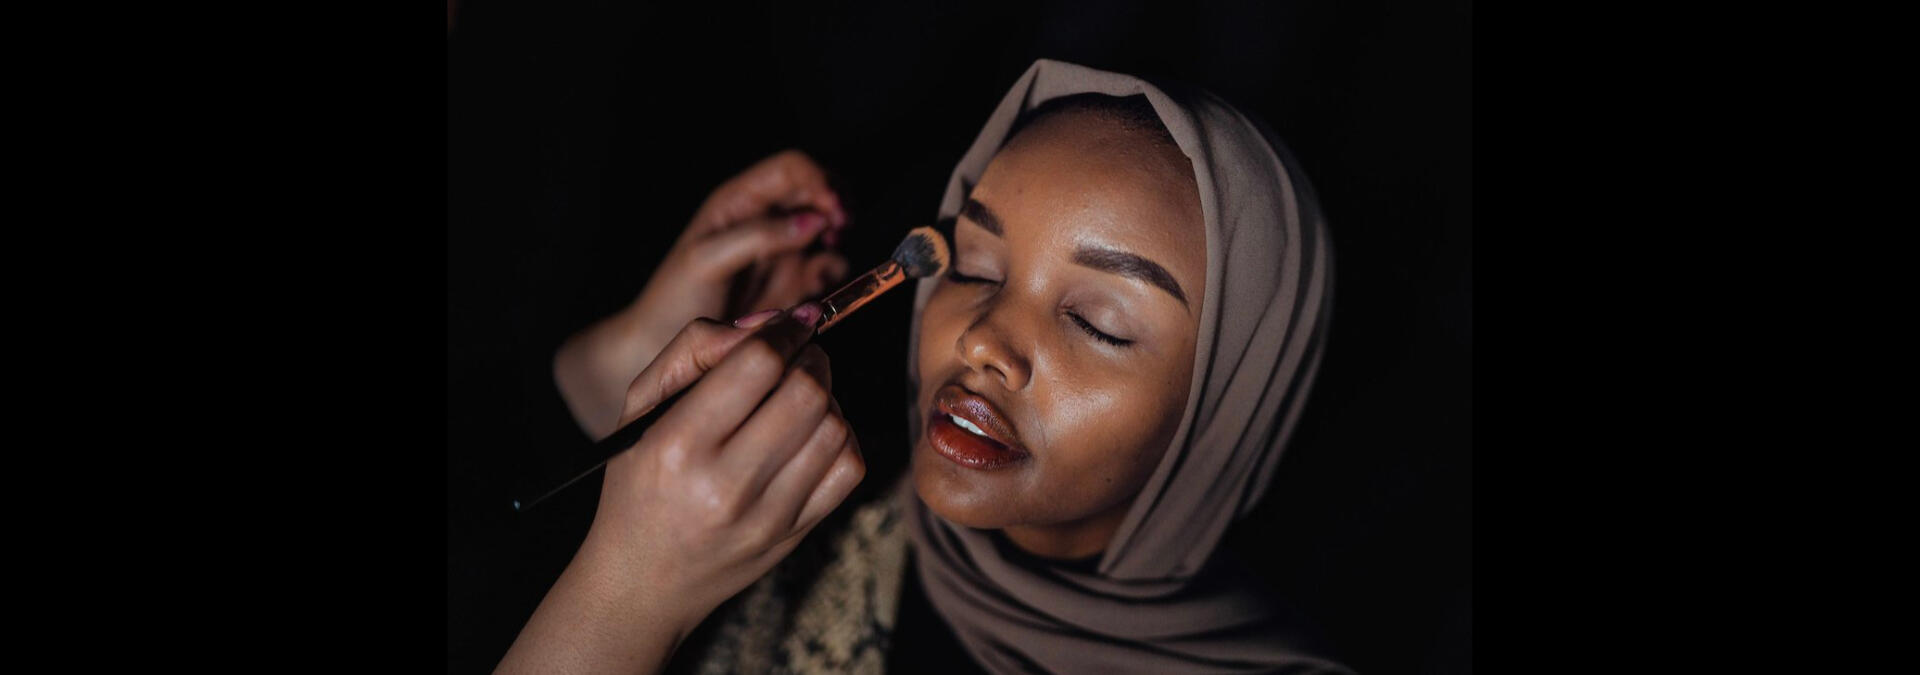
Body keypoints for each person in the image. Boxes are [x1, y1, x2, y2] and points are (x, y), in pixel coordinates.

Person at [497, 59, 1344, 674]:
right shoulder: (774, 502)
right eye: (973, 267)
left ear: (1229, 409)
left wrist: (634, 592)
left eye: (1098, 322)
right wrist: (612, 383)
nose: (980, 341)